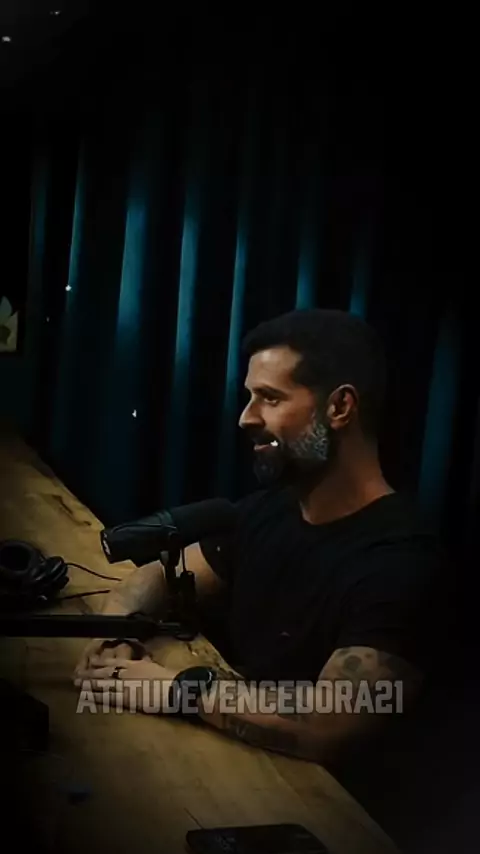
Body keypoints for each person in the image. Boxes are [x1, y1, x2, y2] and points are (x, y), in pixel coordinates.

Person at [74, 308, 453, 787]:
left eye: (270, 398)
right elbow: (158, 576)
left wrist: (177, 690)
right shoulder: (268, 511)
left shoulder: (402, 561)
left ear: (339, 408)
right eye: (250, 397)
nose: (246, 417)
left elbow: (330, 724)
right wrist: (116, 636)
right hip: (234, 770)